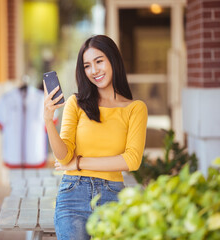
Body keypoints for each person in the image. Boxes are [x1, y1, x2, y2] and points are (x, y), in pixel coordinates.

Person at [43, 35, 148, 240]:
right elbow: (64, 158)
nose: (94, 71)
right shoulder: (76, 103)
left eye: (99, 61)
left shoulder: (135, 109)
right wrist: (48, 120)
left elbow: (131, 160)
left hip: (112, 195)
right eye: (87, 65)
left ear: (113, 60)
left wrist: (79, 163)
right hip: (72, 194)